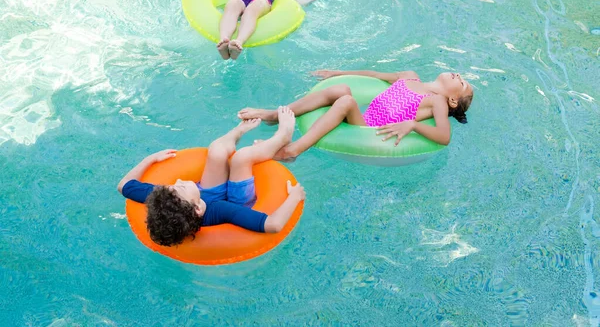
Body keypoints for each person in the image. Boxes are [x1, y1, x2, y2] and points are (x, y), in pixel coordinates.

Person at [117, 106, 305, 247]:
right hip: (236, 203)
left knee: (216, 150)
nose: (178, 181)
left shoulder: (166, 197)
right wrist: (295, 196)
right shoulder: (222, 210)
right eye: (181, 186)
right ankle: (283, 136)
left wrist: (150, 159)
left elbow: (124, 185)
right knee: (242, 158)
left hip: (205, 193)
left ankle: (237, 132)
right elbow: (273, 224)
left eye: (173, 186)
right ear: (197, 208)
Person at [237, 69, 474, 161]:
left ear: (453, 100)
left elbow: (444, 136)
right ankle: (272, 115)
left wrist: (412, 125)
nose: (458, 76)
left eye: (462, 83)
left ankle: (292, 150)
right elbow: (372, 75)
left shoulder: (436, 102)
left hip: (368, 131)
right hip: (366, 116)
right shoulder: (409, 76)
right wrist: (337, 73)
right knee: (342, 89)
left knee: (347, 101)